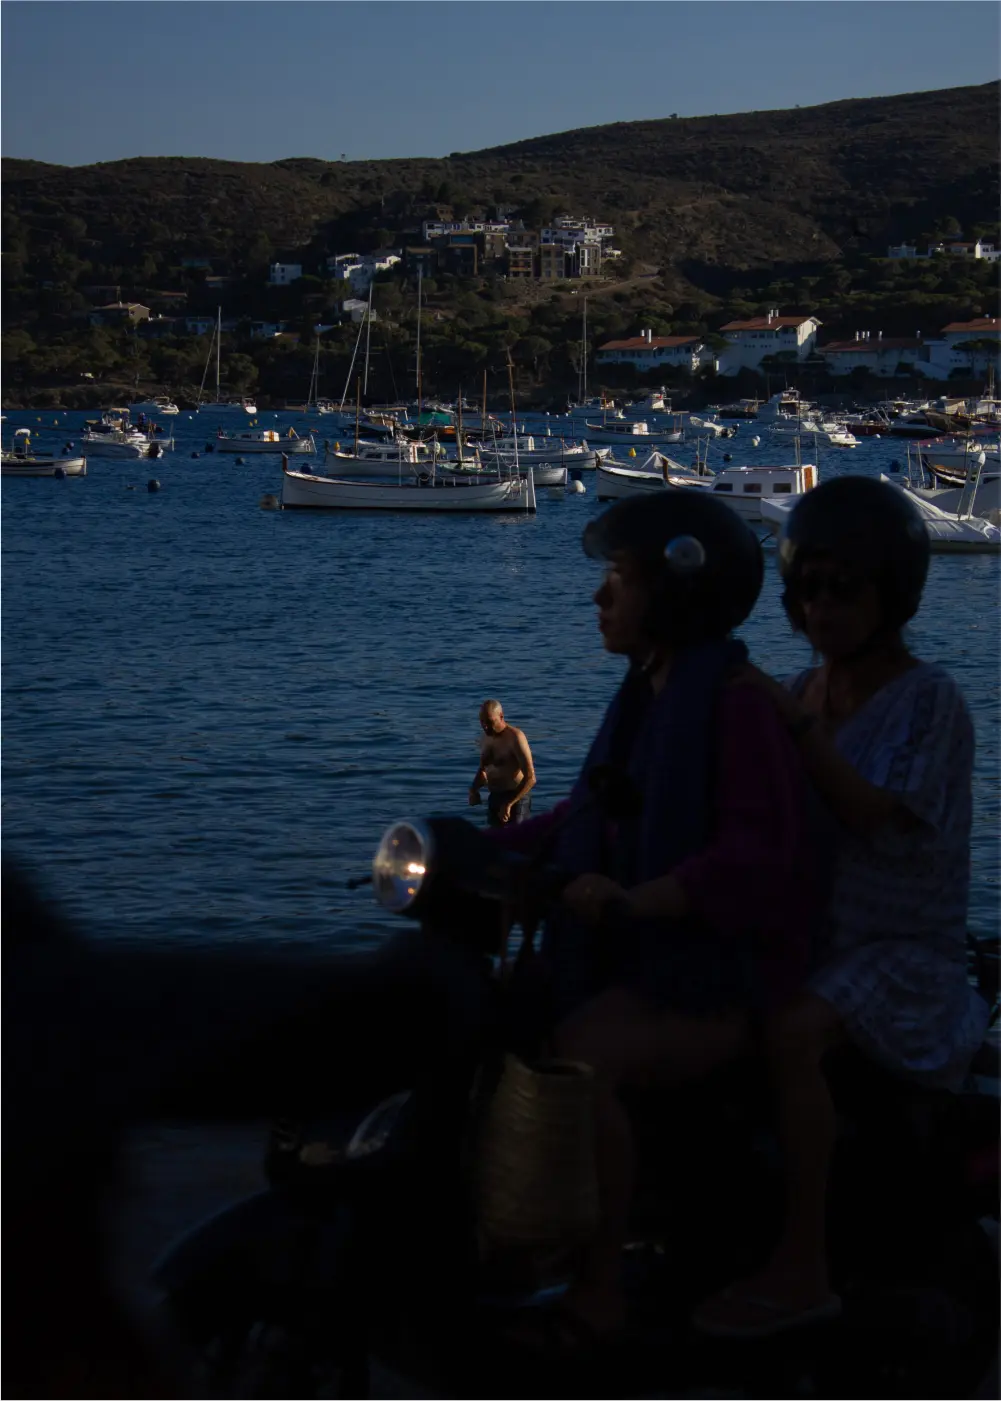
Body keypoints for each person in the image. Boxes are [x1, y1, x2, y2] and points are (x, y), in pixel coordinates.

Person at [493, 492, 822, 1355]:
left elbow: (755, 855)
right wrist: (463, 851)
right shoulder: (646, 693)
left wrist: (644, 898)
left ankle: (600, 1286)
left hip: (716, 967)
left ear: (673, 592)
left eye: (619, 579)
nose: (600, 597)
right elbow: (583, 812)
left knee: (581, 1055)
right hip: (647, 951)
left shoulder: (733, 703)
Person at [694, 476, 991, 1339]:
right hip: (811, 937)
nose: (820, 607)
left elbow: (867, 812)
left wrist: (786, 726)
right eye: (805, 588)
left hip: (899, 956)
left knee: (789, 1032)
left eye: (843, 586)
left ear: (891, 590)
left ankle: (802, 1264)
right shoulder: (801, 687)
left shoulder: (927, 697)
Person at [468, 699, 536, 826]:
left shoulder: (515, 737)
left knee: (516, 841)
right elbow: (483, 770)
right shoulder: (485, 738)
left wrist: (510, 803)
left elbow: (531, 778)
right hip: (495, 797)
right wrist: (473, 789)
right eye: (482, 722)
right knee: (494, 842)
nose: (485, 726)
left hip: (516, 798)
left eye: (489, 722)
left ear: (501, 716)